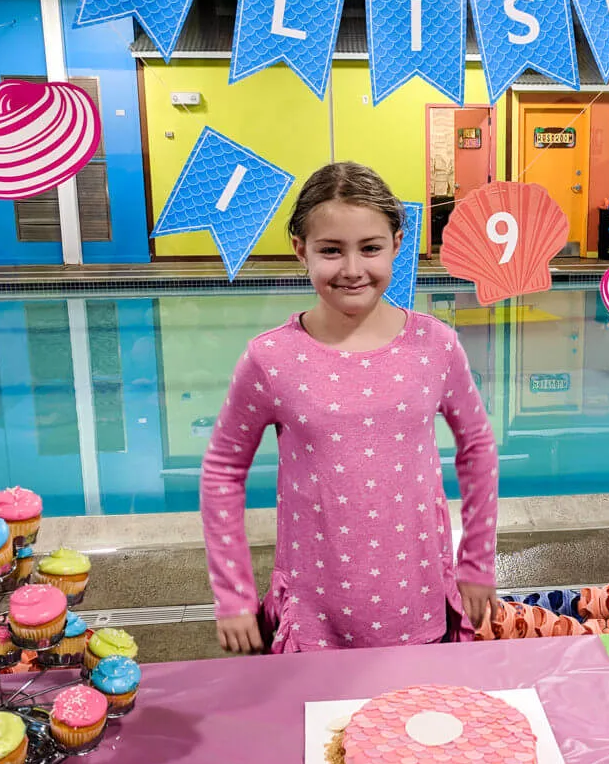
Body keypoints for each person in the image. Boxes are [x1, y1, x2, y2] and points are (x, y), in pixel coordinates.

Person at [201, 161, 498, 654]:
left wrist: (476, 562)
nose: (353, 269)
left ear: (398, 244)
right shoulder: (272, 358)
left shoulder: (435, 345)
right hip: (315, 604)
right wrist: (233, 594)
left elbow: (477, 446)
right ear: (302, 250)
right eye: (331, 250)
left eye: (371, 248)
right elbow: (222, 470)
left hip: (418, 593)